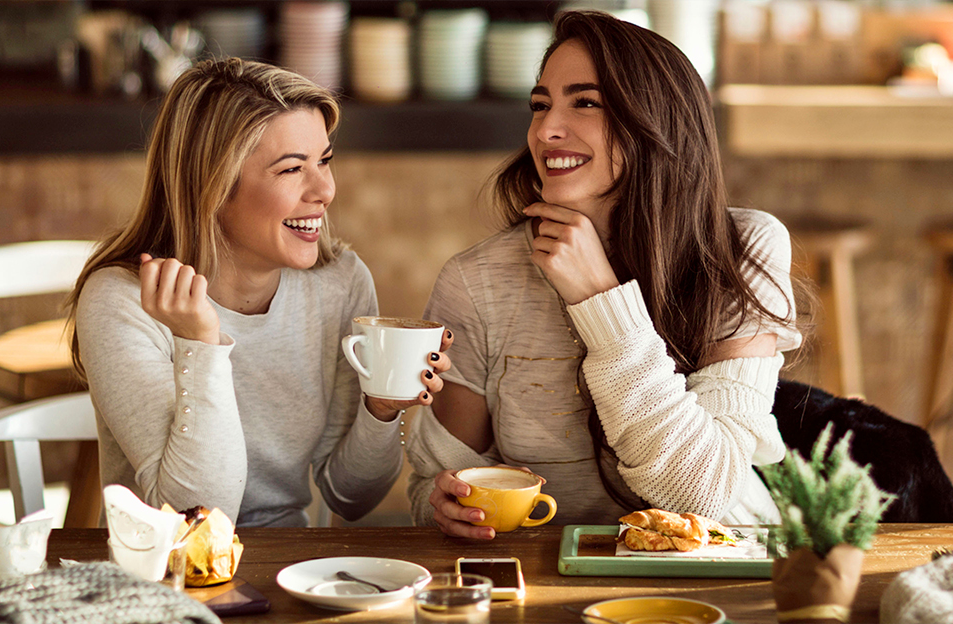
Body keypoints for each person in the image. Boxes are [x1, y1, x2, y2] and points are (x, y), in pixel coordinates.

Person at [407, 10, 806, 539]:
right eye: (540, 105)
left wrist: (600, 299)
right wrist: (444, 506)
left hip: (722, 570)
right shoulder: (476, 281)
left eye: (586, 102)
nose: (546, 130)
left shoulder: (741, 250)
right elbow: (432, 488)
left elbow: (703, 494)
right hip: (546, 575)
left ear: (656, 122)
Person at [66, 58, 452, 527]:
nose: (325, 190)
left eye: (324, 160)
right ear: (212, 185)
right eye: (292, 169)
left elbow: (352, 498)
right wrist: (200, 344)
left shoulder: (340, 283)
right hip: (165, 575)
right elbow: (198, 516)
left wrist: (381, 409)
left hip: (290, 570)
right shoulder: (125, 301)